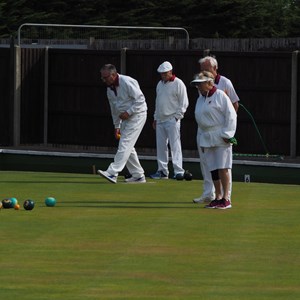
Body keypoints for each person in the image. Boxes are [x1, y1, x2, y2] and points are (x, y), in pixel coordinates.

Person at [193, 56, 239, 203]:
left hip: (221, 136)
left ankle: (226, 198)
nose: (198, 87)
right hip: (206, 137)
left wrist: (227, 134)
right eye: (197, 85)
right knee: (212, 168)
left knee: (223, 167)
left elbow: (231, 114)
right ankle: (217, 197)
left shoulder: (221, 95)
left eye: (200, 84)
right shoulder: (201, 98)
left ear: (208, 83)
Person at [97, 64, 147, 184]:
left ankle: (112, 172)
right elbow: (114, 109)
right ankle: (138, 175)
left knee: (125, 143)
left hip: (137, 115)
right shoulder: (109, 89)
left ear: (113, 75)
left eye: (106, 77)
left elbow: (140, 99)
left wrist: (129, 112)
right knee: (128, 146)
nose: (104, 80)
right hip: (125, 118)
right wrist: (117, 126)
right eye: (102, 78)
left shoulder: (127, 81)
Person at [150, 61, 189, 180]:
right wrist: (155, 118)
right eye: (161, 74)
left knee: (175, 145)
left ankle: (178, 171)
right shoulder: (159, 84)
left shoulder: (179, 83)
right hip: (161, 120)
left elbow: (184, 102)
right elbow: (158, 102)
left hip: (172, 119)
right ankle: (162, 171)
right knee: (161, 146)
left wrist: (177, 117)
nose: (163, 76)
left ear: (171, 72)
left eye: (165, 73)